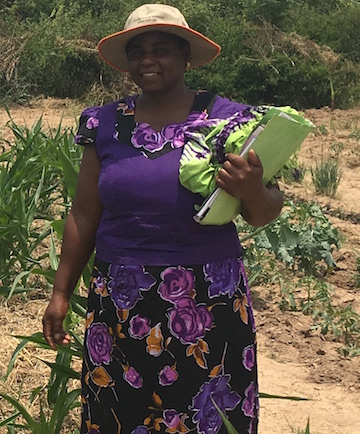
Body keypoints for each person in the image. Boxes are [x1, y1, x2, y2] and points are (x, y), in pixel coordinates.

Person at [41, 4, 285, 434]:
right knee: (120, 413)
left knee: (204, 416)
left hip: (209, 297)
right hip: (120, 296)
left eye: (161, 49)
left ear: (187, 56)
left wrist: (250, 188)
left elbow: (264, 213)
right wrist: (61, 292)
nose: (147, 60)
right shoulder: (104, 123)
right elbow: (84, 212)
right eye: (137, 52)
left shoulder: (228, 119)